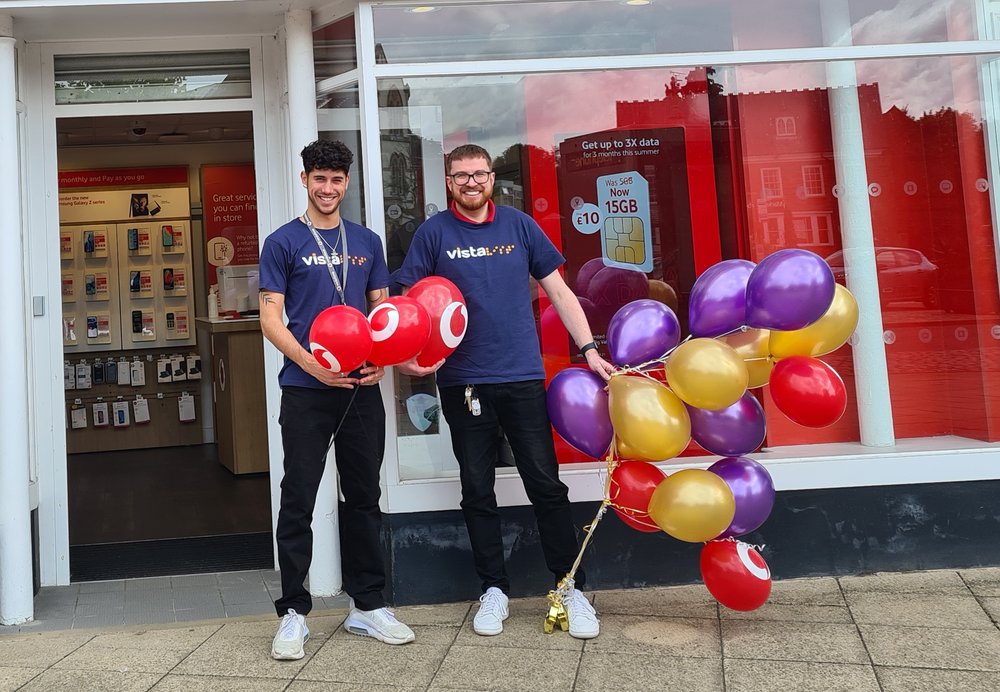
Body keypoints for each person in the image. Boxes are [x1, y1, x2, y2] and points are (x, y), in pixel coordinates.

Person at [395, 144, 615, 640]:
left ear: (491, 178)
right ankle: (493, 590)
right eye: (461, 176)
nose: (471, 182)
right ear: (448, 183)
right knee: (477, 489)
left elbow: (559, 290)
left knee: (546, 486)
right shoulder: (432, 234)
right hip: (463, 382)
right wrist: (408, 358)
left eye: (479, 174)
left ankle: (568, 586)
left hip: (520, 378)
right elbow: (408, 303)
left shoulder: (518, 226)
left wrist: (588, 349)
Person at [259, 139, 415, 660]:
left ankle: (367, 606)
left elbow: (383, 314)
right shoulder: (282, 243)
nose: (328, 188)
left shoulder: (368, 241)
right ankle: (293, 613)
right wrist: (310, 364)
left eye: (337, 180)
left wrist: (382, 359)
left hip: (360, 392)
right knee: (299, 496)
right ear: (304, 179)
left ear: (347, 184)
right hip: (306, 391)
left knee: (364, 498)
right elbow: (270, 319)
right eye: (319, 179)